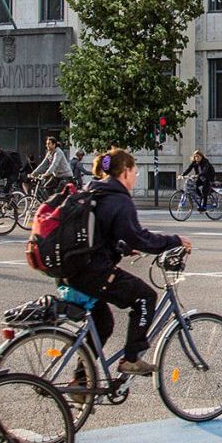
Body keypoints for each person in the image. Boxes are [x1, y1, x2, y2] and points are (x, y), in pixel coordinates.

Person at [67, 149, 192, 375]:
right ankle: (131, 359)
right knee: (145, 297)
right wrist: (174, 241)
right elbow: (139, 237)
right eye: (135, 171)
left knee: (103, 324)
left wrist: (123, 248)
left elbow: (99, 234)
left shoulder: (95, 190)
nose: (136, 176)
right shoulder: (118, 199)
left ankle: (80, 380)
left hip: (74, 271)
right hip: (94, 273)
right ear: (125, 172)